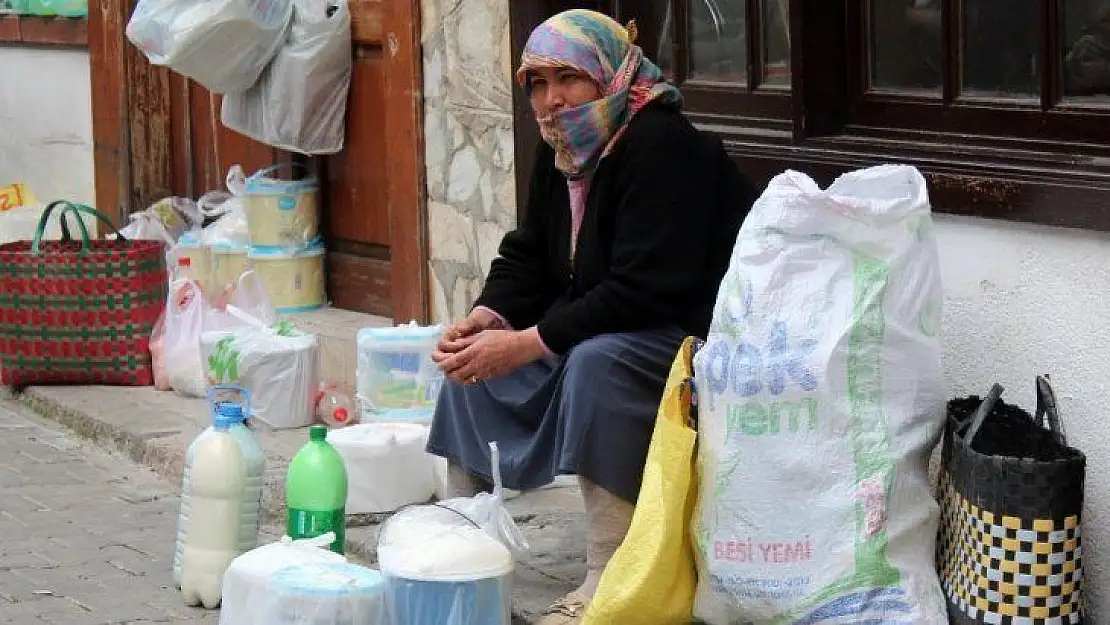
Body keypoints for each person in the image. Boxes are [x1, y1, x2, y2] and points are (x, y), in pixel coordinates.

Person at [426, 9, 757, 623]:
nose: (552, 101)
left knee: (596, 364)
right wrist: (487, 316)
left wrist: (529, 343)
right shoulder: (566, 144)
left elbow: (648, 287)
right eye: (538, 84)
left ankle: (609, 565)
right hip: (604, 316)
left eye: (567, 80)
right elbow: (529, 252)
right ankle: (458, 544)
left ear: (607, 74)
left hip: (682, 331)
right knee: (476, 364)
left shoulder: (659, 144)